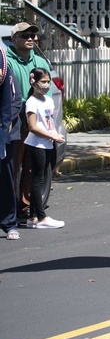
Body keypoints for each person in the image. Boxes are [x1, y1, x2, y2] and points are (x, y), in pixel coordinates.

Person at [6, 21, 51, 225]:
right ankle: (8, 208)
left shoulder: (40, 62)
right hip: (14, 120)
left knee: (31, 167)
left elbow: (47, 92)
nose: (30, 39)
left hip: (36, 119)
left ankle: (26, 208)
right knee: (12, 165)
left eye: (33, 35)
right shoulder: (6, 60)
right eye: (25, 36)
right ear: (14, 39)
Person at [22, 67, 64, 229]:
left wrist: (55, 135)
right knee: (38, 179)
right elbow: (32, 127)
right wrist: (51, 136)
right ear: (34, 82)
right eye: (43, 82)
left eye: (48, 82)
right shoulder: (31, 102)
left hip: (47, 144)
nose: (46, 85)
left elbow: (49, 123)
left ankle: (32, 217)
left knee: (42, 177)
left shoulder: (48, 100)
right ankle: (41, 217)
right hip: (36, 145)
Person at [0, 57, 19, 240]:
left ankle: (9, 223)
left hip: (0, 130)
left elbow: (10, 100)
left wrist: (4, 129)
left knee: (4, 178)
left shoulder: (1, 59)